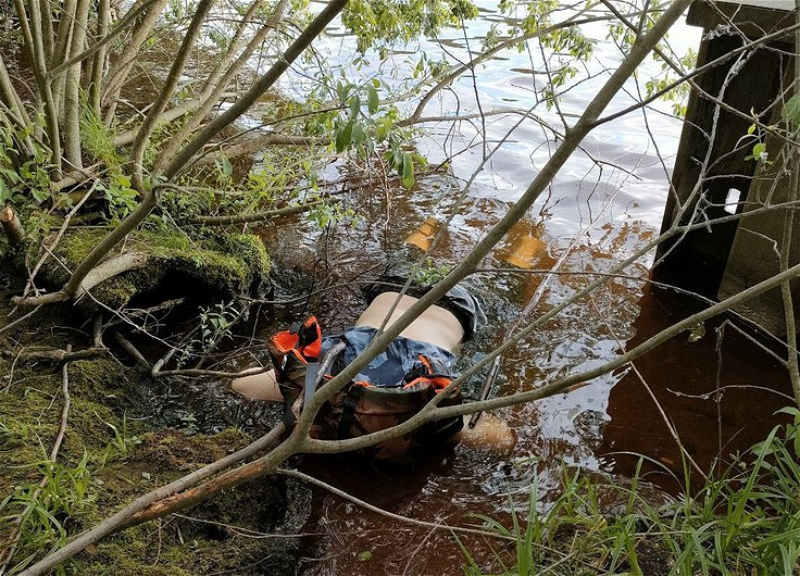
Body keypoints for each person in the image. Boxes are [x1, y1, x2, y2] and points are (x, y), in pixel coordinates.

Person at [232, 279, 516, 463]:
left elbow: (501, 439)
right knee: (417, 253)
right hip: (396, 291)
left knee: (507, 265)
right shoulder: (316, 378)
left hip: (446, 308)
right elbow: (241, 383)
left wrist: (447, 431)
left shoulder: (422, 408)